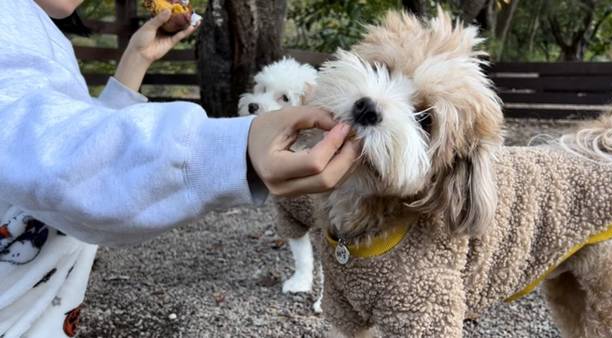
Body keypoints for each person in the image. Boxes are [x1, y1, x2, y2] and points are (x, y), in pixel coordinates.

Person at [0, 1, 359, 337]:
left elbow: (52, 143)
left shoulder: (32, 26)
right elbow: (64, 162)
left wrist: (135, 62)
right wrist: (233, 148)